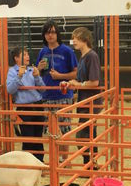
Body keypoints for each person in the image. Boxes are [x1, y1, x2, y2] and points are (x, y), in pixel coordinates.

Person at [35, 20, 78, 162]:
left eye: (53, 32)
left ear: (57, 34)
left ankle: (65, 160)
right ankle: (55, 160)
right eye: (47, 32)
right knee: (51, 131)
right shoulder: (43, 51)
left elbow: (76, 73)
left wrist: (61, 77)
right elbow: (37, 74)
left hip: (63, 95)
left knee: (65, 128)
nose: (50, 35)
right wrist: (39, 69)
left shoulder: (67, 51)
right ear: (44, 35)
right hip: (47, 95)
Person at [68, 26, 102, 167]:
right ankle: (90, 164)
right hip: (85, 102)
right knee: (86, 135)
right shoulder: (83, 57)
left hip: (90, 102)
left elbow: (94, 82)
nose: (73, 41)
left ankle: (90, 164)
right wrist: (73, 84)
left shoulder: (91, 56)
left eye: (76, 38)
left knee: (84, 136)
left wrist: (78, 85)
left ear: (84, 39)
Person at [6, 47, 45, 161]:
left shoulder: (32, 70)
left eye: (28, 54)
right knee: (28, 138)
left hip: (38, 106)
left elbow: (43, 89)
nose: (28, 57)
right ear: (16, 58)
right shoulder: (13, 72)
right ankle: (29, 165)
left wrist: (37, 76)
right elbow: (10, 90)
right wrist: (19, 77)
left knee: (38, 137)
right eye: (24, 55)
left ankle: (39, 163)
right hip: (24, 108)